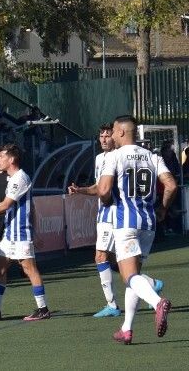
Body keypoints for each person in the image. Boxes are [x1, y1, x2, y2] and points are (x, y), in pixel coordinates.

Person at [97, 116, 176, 345]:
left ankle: (156, 302)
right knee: (135, 276)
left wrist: (108, 200)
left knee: (129, 276)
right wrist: (162, 208)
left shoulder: (114, 156)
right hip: (148, 223)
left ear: (121, 132)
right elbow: (170, 185)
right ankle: (126, 329)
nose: (110, 135)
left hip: (126, 223)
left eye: (112, 130)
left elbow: (103, 190)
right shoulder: (153, 156)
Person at [0, 144, 51, 322]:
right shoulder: (11, 177)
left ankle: (43, 309)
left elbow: (6, 205)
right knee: (0, 269)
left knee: (30, 269)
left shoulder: (19, 178)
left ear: (11, 159)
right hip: (9, 234)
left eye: (3, 157)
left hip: (20, 233)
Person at [67, 124, 126, 318]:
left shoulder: (119, 156)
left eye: (107, 136)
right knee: (113, 260)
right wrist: (80, 190)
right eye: (101, 136)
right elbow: (98, 187)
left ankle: (112, 305)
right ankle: (149, 284)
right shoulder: (100, 158)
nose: (103, 139)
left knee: (100, 257)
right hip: (103, 214)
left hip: (113, 212)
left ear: (115, 138)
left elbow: (105, 190)